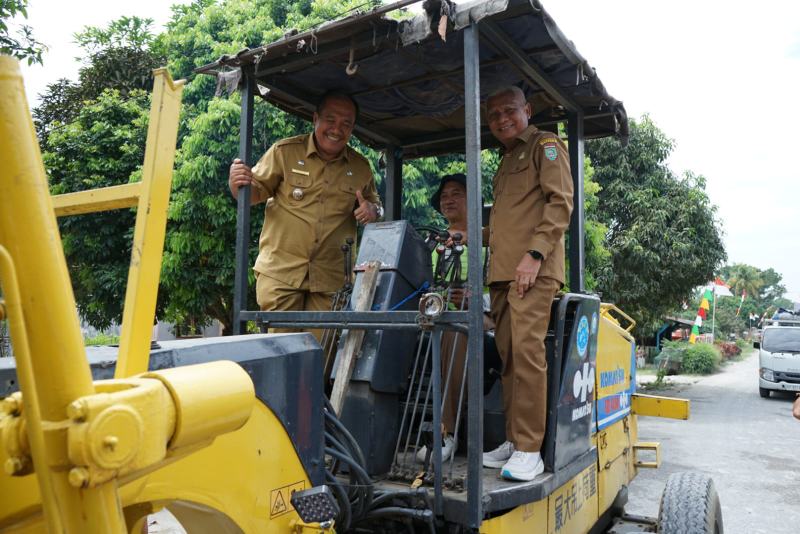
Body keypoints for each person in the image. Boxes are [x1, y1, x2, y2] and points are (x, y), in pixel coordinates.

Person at [228, 92, 382, 338]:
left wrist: (374, 211)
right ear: (315, 119)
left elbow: (376, 206)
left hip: (332, 279)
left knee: (321, 357)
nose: (337, 129)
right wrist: (237, 183)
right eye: (330, 120)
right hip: (281, 273)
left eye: (346, 124)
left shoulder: (361, 167)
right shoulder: (284, 152)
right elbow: (253, 195)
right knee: (279, 351)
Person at [480, 86, 574, 482]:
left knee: (528, 356)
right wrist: (472, 235)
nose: (502, 118)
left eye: (509, 110)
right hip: (502, 275)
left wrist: (534, 255)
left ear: (527, 110)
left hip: (531, 272)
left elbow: (561, 202)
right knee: (508, 359)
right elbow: (508, 223)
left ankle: (530, 449)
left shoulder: (545, 145)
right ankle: (514, 439)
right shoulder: (505, 159)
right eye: (494, 113)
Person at [415, 174, 491, 464]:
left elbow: (499, 290)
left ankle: (446, 432)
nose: (448, 199)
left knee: (454, 328)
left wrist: (472, 300)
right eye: (444, 194)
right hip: (435, 314)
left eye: (456, 193)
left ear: (472, 199)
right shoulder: (433, 243)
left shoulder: (489, 239)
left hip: (483, 318)